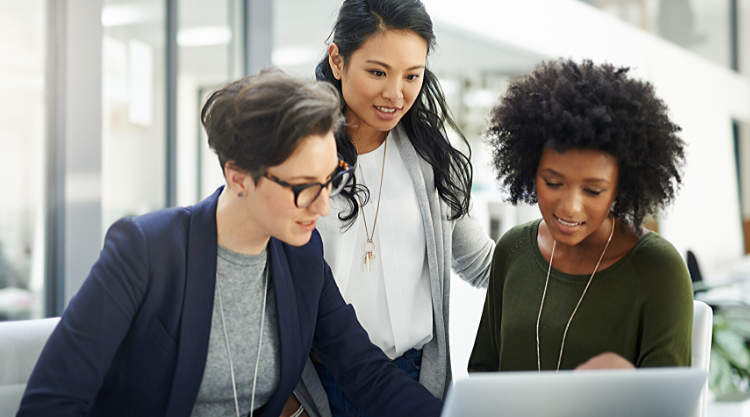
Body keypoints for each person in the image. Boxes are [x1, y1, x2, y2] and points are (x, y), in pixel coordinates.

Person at [17, 69, 442, 417]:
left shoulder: (301, 256)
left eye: (332, 180)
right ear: (238, 176)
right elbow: (52, 402)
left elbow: (363, 369)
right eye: (304, 187)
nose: (323, 207)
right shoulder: (146, 251)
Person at [294, 1, 495, 416]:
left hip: (415, 380)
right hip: (321, 388)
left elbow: (481, 264)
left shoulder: (433, 158)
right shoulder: (297, 157)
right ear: (337, 59)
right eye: (377, 72)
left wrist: (566, 253)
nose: (395, 93)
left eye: (412, 76)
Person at [468, 58, 693, 373]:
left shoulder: (657, 269)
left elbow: (667, 404)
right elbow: (483, 374)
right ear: (531, 170)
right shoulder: (513, 250)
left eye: (593, 190)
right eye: (553, 183)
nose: (569, 207)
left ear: (621, 187)